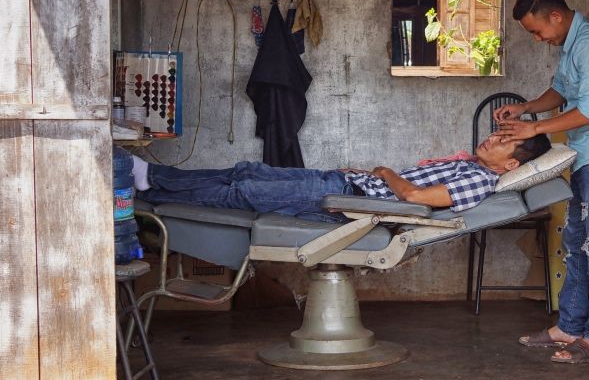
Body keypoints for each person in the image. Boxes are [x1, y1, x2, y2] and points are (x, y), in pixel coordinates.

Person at [496, 0, 589, 364]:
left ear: (556, 16)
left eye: (537, 31)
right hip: (586, 156)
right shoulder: (571, 45)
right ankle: (570, 326)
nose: (538, 38)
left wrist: (535, 128)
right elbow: (560, 91)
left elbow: (588, 112)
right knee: (576, 243)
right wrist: (525, 108)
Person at [131, 133, 551, 222]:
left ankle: (154, 185)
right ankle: (155, 177)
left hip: (343, 199)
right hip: (346, 183)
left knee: (244, 190)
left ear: (511, 165)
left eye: (504, 142)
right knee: (246, 169)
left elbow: (416, 198)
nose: (493, 138)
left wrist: (382, 171)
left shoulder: (479, 181)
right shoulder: (470, 165)